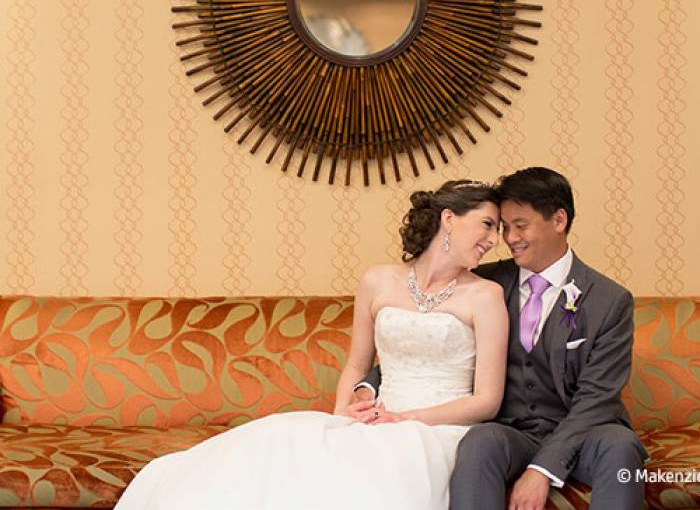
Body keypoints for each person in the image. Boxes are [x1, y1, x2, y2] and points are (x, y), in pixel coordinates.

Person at [114, 180, 509, 510]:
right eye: (488, 225)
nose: (495, 240)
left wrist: (408, 420)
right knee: (276, 437)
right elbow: (356, 364)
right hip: (373, 423)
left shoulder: (485, 296)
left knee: (372, 482)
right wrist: (344, 414)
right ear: (449, 219)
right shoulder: (378, 281)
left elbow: (487, 400)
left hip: (436, 432)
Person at [355, 167, 646, 510]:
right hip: (510, 431)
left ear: (559, 220)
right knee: (480, 441)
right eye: (504, 227)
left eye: (520, 225)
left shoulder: (609, 300)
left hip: (585, 433)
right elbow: (425, 344)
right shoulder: (484, 283)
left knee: (622, 447)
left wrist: (542, 469)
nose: (508, 238)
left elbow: (597, 399)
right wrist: (371, 384)